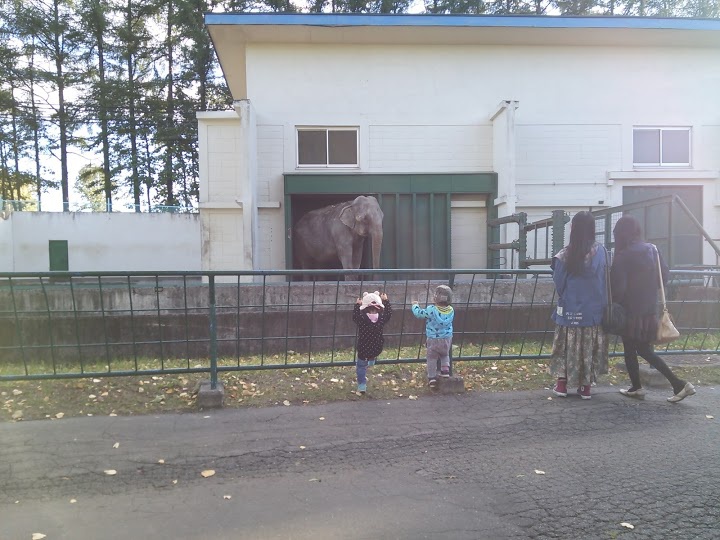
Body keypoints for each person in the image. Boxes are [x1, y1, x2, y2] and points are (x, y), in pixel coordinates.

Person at [611, 215, 695, 403]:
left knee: (635, 349)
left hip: (630, 310)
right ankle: (645, 387)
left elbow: (619, 288)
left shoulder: (624, 255)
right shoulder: (653, 250)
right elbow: (664, 277)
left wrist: (614, 302)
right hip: (649, 308)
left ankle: (676, 384)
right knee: (640, 349)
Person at [550, 211, 609, 400]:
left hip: (569, 311)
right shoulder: (602, 252)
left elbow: (559, 284)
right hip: (593, 312)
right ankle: (585, 387)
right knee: (588, 347)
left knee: (566, 347)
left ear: (573, 229)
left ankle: (561, 384)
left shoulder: (564, 255)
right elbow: (606, 279)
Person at [412, 285, 454, 389]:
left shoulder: (431, 310)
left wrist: (415, 306)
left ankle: (432, 378)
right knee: (445, 355)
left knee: (431, 358)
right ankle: (445, 371)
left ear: (435, 298)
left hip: (433, 339)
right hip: (447, 338)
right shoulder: (451, 310)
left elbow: (419, 314)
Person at [353, 291, 392, 394]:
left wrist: (357, 305)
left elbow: (355, 317)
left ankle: (362, 385)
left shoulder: (362, 319)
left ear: (365, 308)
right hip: (377, 346)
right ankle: (371, 360)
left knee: (361, 366)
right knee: (373, 351)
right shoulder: (382, 319)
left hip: (363, 347)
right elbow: (389, 314)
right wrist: (386, 301)